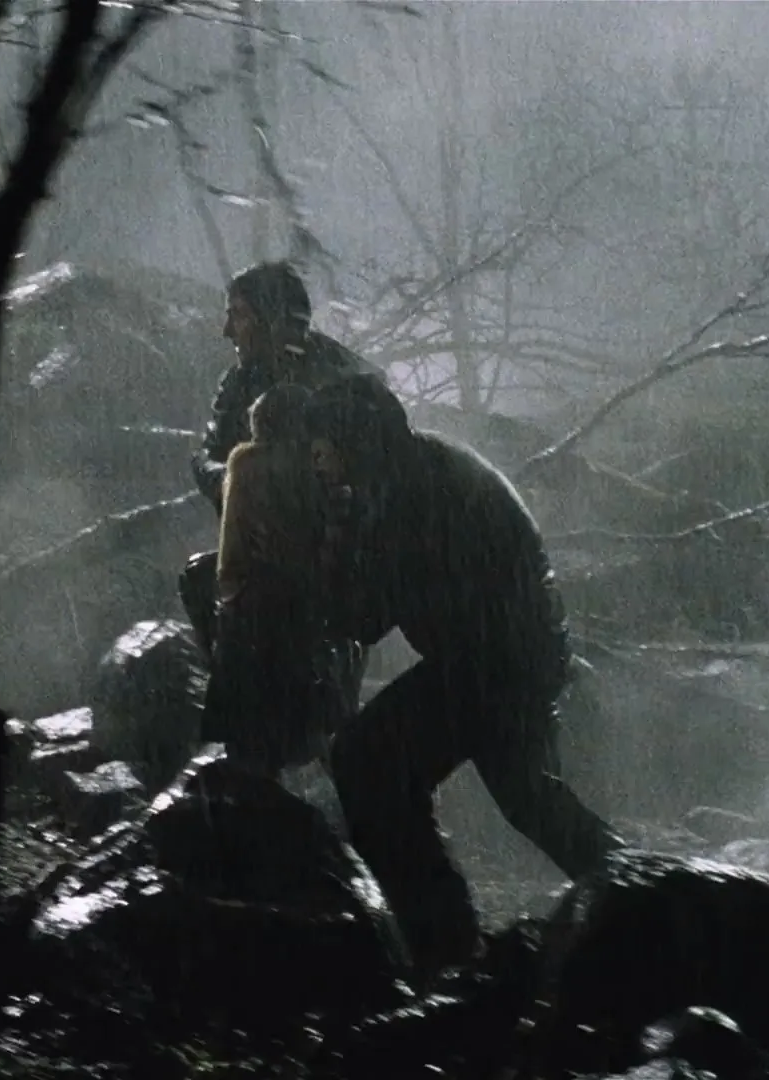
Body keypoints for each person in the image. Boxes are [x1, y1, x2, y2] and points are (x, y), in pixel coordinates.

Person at [305, 373, 628, 983]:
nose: (316, 463)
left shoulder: (401, 493)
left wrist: (329, 540)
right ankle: (641, 900)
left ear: (350, 440)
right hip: (514, 653)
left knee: (367, 762)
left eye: (321, 449)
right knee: (529, 800)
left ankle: (444, 946)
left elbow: (364, 616)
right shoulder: (418, 466)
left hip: (492, 662)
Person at [181, 261, 383, 666]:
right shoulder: (238, 383)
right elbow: (207, 457)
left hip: (336, 558)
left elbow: (373, 479)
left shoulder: (347, 379)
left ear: (271, 319)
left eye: (238, 315)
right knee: (200, 583)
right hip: (266, 553)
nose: (227, 331)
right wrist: (240, 483)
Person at [200, 383, 339, 773]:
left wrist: (228, 593)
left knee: (248, 725)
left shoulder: (246, 464)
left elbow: (233, 547)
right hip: (303, 607)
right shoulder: (317, 465)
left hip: (254, 606)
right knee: (296, 714)